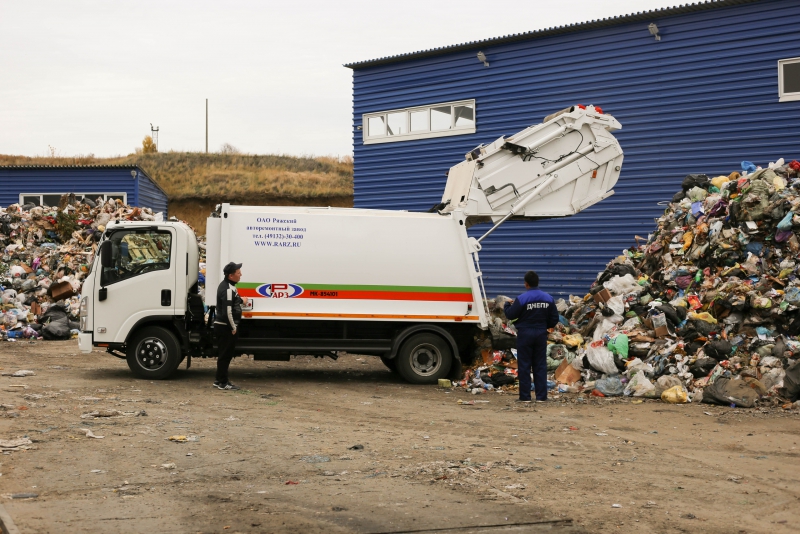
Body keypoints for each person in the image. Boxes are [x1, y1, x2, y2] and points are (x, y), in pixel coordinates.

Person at [504, 271, 559, 403]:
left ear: (526, 284)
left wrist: (507, 305)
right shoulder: (548, 298)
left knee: (524, 365)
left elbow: (510, 315)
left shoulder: (522, 298)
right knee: (540, 365)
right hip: (540, 333)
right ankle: (541, 397)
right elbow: (554, 319)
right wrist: (544, 326)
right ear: (537, 282)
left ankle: (525, 397)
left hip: (525, 334)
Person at [214, 262, 249, 390]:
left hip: (224, 326)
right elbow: (227, 312)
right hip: (225, 327)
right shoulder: (228, 289)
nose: (241, 275)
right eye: (238, 273)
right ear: (231, 275)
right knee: (225, 355)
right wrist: (233, 327)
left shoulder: (228, 286)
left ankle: (219, 380)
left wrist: (242, 301)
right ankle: (223, 383)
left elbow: (234, 300)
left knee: (224, 354)